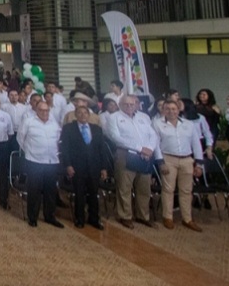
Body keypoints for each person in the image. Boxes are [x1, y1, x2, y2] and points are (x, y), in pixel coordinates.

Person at [105, 95, 160, 229]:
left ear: (136, 104)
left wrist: (150, 149)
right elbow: (116, 138)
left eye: (132, 104)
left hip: (145, 156)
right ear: (120, 105)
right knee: (124, 187)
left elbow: (153, 135)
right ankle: (125, 216)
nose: (129, 107)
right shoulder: (114, 118)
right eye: (126, 104)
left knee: (144, 187)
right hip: (125, 154)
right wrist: (140, 148)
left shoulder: (144, 117)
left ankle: (143, 216)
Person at [154, 100, 205, 232]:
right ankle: (168, 217)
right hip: (168, 158)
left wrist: (199, 164)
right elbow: (156, 144)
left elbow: (196, 144)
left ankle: (187, 218)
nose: (171, 111)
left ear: (178, 110)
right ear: (163, 110)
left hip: (187, 159)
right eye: (168, 109)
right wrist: (160, 162)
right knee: (168, 189)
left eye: (173, 109)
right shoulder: (157, 124)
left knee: (186, 191)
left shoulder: (188, 124)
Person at [60, 106, 111, 230]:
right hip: (77, 167)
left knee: (93, 193)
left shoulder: (97, 129)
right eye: (79, 113)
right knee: (79, 194)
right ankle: (80, 218)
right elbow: (64, 149)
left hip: (94, 167)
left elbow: (102, 150)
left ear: (89, 115)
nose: (83, 115)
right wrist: (68, 165)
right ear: (75, 115)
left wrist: (104, 168)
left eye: (85, 113)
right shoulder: (68, 129)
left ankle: (94, 218)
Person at [17, 100, 63, 228]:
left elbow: (58, 139)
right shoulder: (29, 122)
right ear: (36, 111)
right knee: (34, 191)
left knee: (50, 190)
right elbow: (20, 138)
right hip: (34, 161)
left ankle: (50, 216)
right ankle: (33, 217)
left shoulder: (54, 124)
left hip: (52, 161)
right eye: (42, 110)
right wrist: (30, 152)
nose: (44, 112)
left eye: (47, 110)